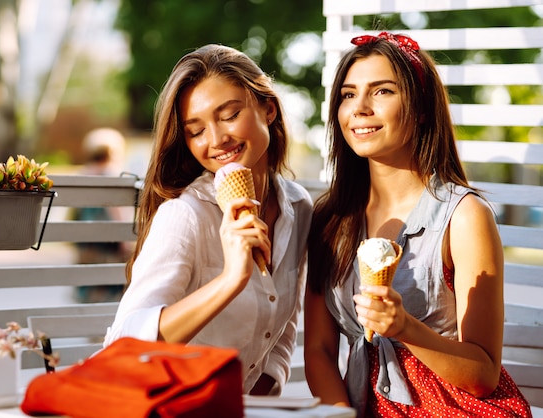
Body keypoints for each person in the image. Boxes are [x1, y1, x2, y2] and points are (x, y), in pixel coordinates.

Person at [304, 32, 532, 417]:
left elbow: (483, 374)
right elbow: (320, 351)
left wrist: (405, 326)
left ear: (422, 108)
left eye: (382, 92)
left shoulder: (464, 216)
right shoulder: (329, 221)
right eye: (347, 94)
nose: (359, 107)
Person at [103, 44, 313, 396]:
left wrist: (263, 395)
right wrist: (232, 278)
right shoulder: (186, 215)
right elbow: (126, 340)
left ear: (269, 108)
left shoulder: (298, 205)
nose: (216, 140)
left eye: (229, 115)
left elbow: (281, 325)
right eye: (195, 130)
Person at [72, 128, 132, 303]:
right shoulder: (113, 173)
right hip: (108, 242)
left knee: (90, 279)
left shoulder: (84, 173)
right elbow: (118, 211)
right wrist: (126, 242)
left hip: (87, 241)